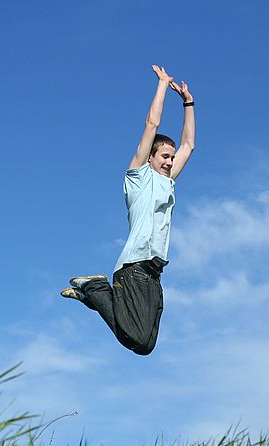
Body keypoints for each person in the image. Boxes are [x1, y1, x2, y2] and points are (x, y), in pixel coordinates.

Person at [61, 64, 195, 355]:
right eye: (164, 156)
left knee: (145, 345)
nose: (170, 162)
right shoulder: (138, 178)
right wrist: (162, 84)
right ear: (149, 158)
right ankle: (96, 289)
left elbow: (189, 145)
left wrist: (188, 103)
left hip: (154, 274)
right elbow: (151, 124)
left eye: (172, 158)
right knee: (131, 337)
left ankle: (93, 297)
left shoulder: (167, 183)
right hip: (134, 267)